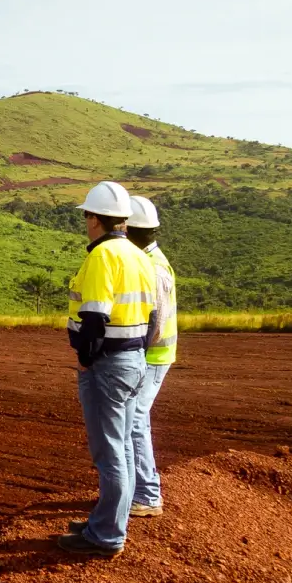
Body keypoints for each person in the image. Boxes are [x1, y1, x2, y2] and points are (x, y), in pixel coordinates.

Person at [58, 181, 158, 557]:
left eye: (86, 215)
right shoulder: (138, 256)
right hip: (133, 360)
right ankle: (107, 520)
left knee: (110, 451)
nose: (85, 222)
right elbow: (150, 317)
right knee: (125, 448)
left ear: (95, 219)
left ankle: (107, 535)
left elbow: (95, 320)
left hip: (108, 364)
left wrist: (85, 360)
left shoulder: (102, 257)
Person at [125, 195, 176, 518]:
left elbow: (155, 324)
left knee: (135, 423)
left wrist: (134, 354)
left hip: (152, 356)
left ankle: (147, 495)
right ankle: (136, 492)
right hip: (153, 355)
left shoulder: (153, 267)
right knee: (134, 421)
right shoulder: (149, 260)